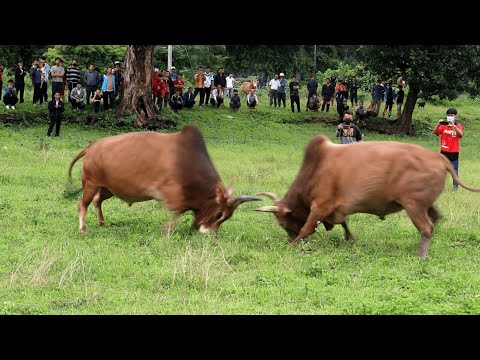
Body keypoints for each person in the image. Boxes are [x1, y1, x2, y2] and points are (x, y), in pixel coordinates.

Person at [433, 108, 464, 190]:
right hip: (444, 152)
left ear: (455, 116)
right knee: (441, 170)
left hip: (454, 152)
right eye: (448, 115)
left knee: (455, 171)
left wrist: (454, 126)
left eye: (452, 115)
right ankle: (439, 186)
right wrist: (438, 124)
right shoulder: (443, 126)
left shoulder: (458, 125)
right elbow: (435, 132)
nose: (450, 117)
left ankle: (455, 188)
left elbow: (461, 135)